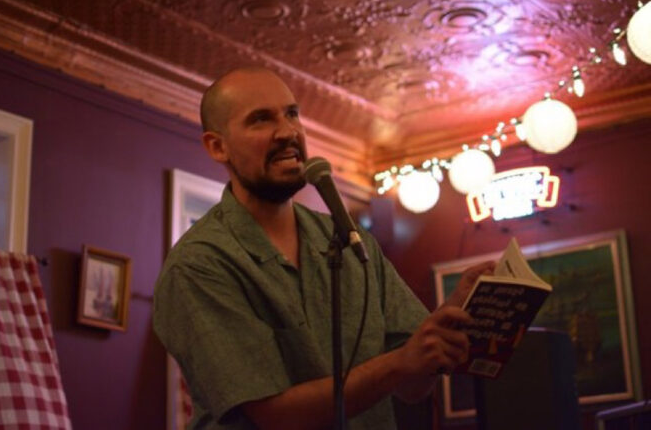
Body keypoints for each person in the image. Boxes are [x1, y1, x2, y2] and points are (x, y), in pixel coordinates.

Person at [153, 67, 494, 430]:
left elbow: (412, 388)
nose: (287, 132)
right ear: (217, 146)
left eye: (292, 114)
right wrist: (401, 362)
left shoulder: (350, 242)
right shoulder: (199, 265)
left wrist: (443, 333)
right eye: (261, 120)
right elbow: (274, 416)